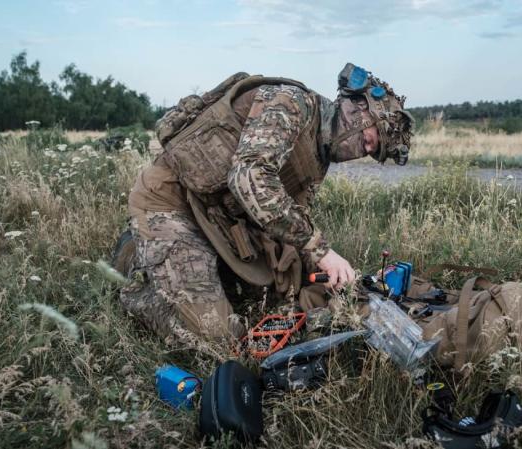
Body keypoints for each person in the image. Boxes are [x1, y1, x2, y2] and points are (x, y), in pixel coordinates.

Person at [117, 63, 413, 343]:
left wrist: (330, 272)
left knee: (283, 292)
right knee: (216, 335)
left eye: (372, 151)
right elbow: (248, 177)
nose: (365, 151)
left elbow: (290, 218)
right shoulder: (289, 103)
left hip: (220, 219)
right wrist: (322, 251)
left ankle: (190, 267)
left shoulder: (317, 158)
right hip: (172, 202)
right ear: (358, 107)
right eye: (370, 140)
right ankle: (137, 272)